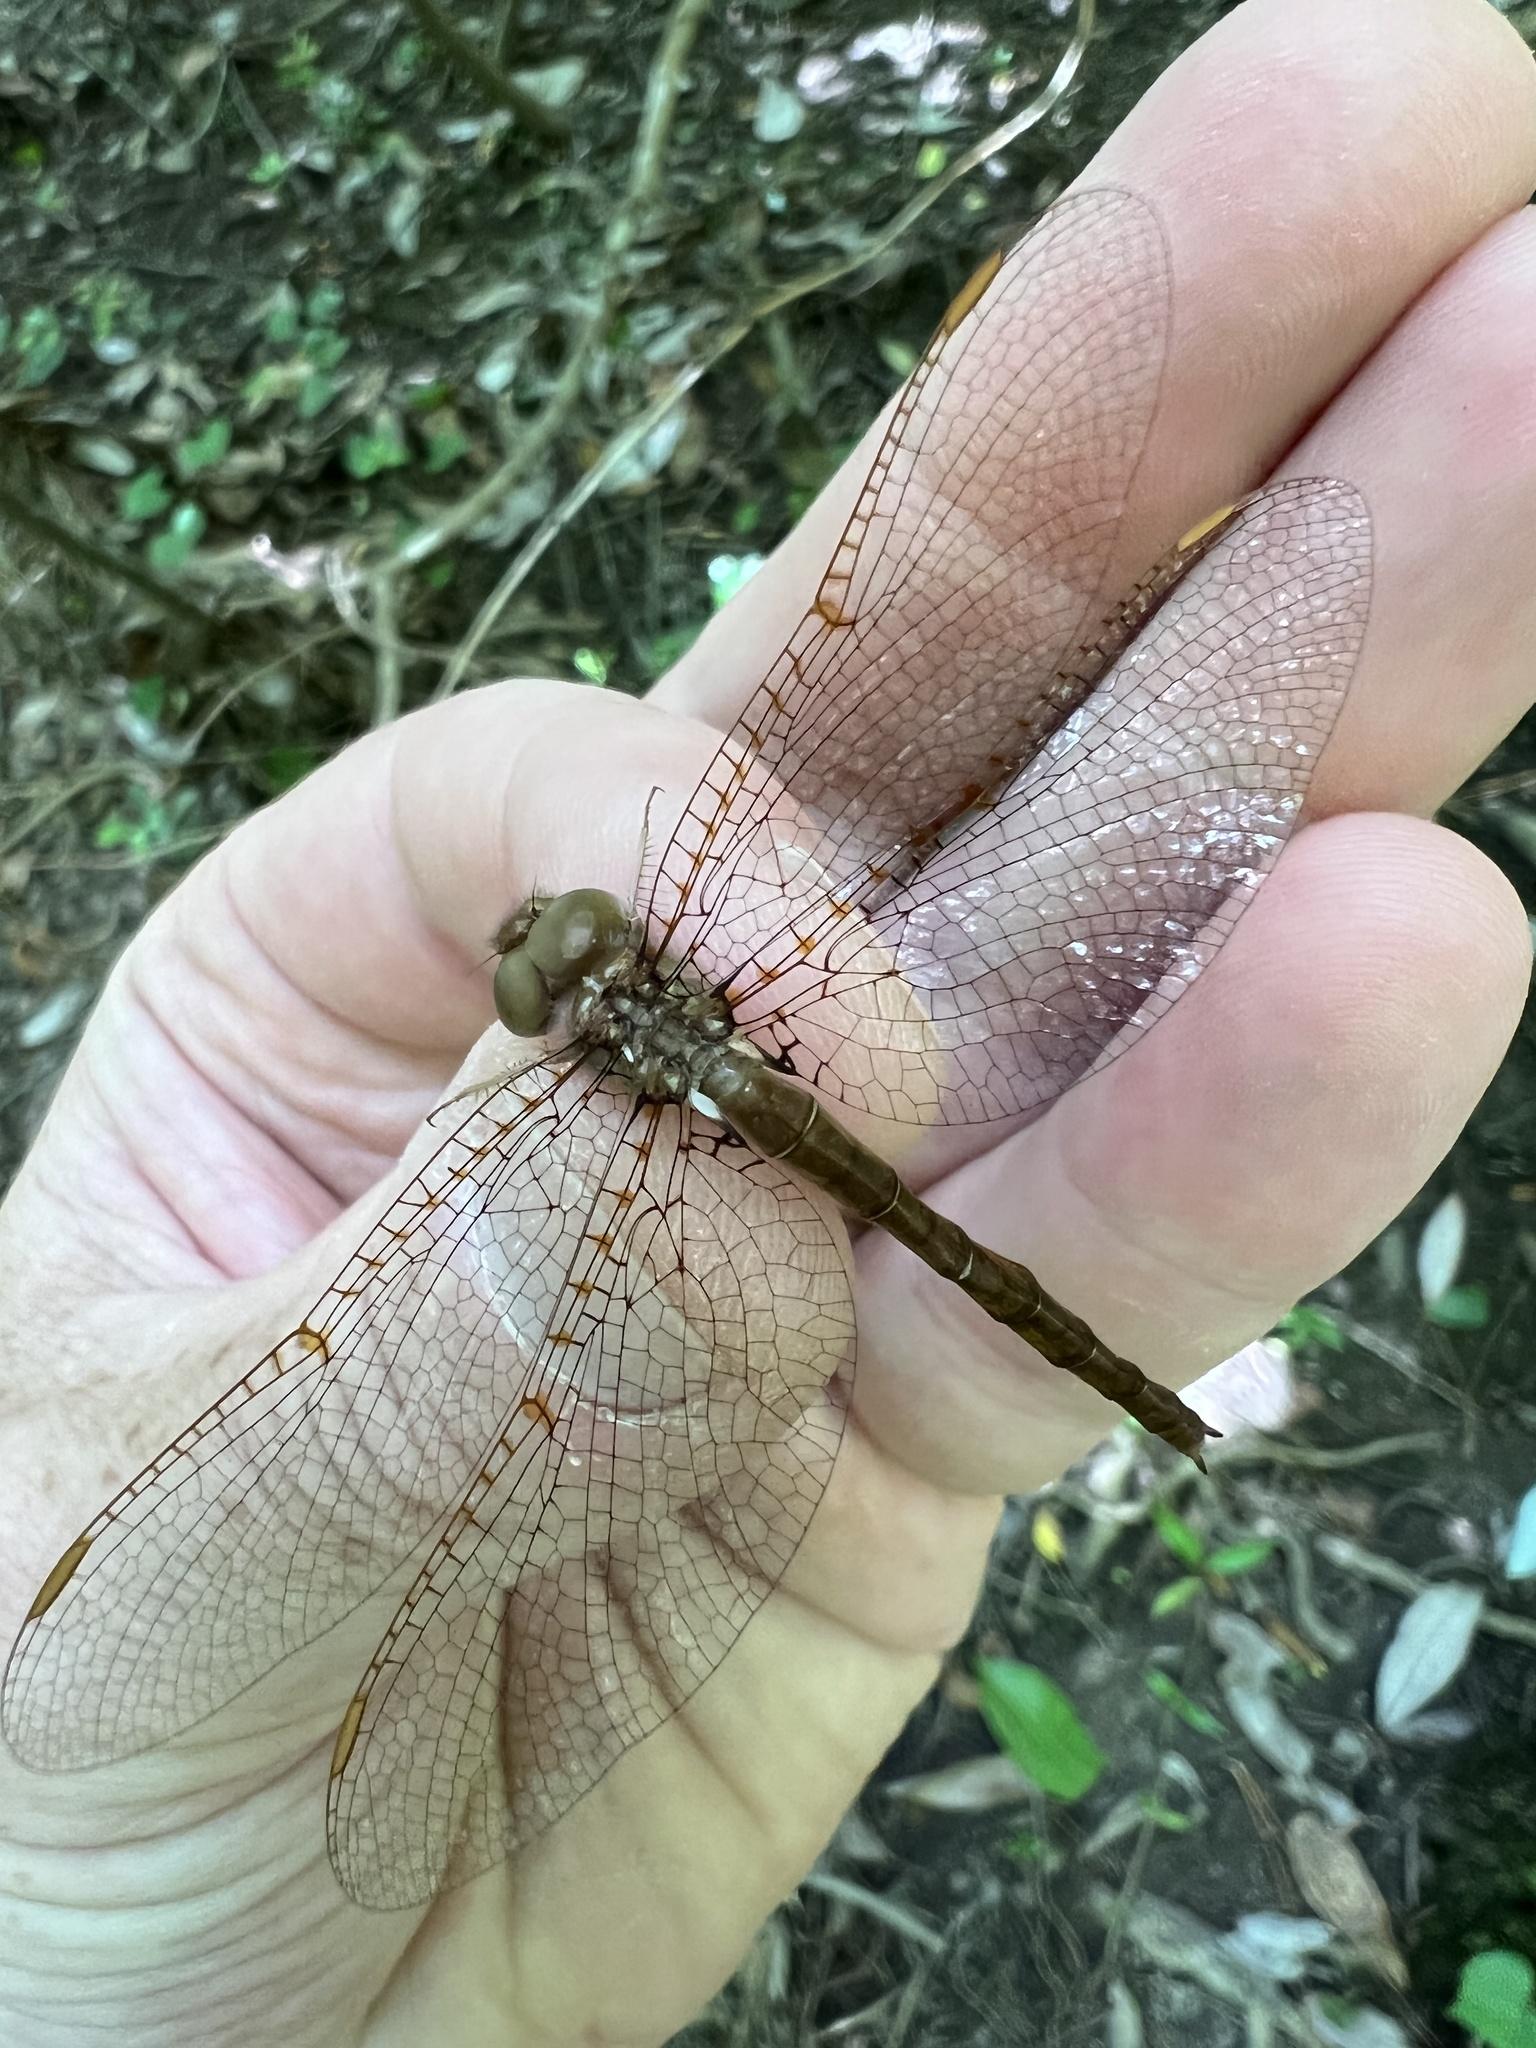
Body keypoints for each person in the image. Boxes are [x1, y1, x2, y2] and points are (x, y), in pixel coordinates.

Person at [2, 0, 1534, 2040]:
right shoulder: (650, 1027)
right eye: (541, 966)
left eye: (551, 952)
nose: (541, 948)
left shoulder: (592, 1065)